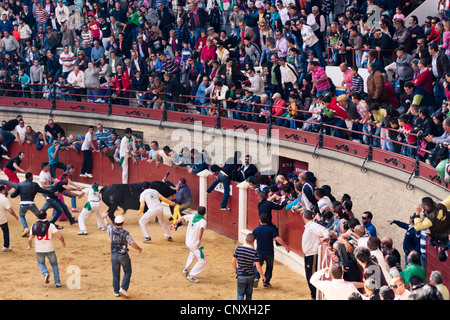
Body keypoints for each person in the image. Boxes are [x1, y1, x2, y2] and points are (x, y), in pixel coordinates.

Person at [101, 212, 142, 297]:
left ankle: (116, 291)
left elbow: (106, 224)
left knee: (115, 273)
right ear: (123, 223)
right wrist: (139, 248)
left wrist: (104, 217)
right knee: (128, 271)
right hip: (123, 255)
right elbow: (132, 244)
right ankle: (123, 288)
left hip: (113, 255)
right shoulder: (126, 233)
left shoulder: (111, 229)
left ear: (115, 223)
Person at [27, 209, 65, 287]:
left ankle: (45, 273)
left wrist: (30, 245)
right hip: (49, 248)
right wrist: (63, 242)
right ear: (46, 216)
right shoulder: (51, 225)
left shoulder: (33, 225)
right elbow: (59, 236)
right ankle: (57, 282)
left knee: (41, 263)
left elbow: (30, 239)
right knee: (54, 264)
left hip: (39, 249)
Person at [10, 172, 54, 237]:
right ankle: (45, 228)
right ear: (30, 177)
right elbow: (43, 190)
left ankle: (25, 228)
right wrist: (52, 193)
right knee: (40, 216)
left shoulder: (20, 185)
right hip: (31, 203)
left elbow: (12, 195)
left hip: (22, 204)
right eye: (32, 177)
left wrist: (18, 191)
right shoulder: (34, 184)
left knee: (22, 216)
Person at [170, 206, 208, 283]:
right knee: (203, 261)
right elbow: (201, 229)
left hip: (188, 241)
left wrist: (174, 224)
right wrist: (199, 241)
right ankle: (191, 275)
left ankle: (186, 269)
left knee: (192, 253)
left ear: (197, 211)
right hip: (194, 243)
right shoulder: (203, 221)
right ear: (204, 213)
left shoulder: (192, 216)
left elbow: (182, 217)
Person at [252, 213, 290, 289]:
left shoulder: (256, 230)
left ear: (259, 221)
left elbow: (251, 240)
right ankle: (266, 283)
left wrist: (252, 249)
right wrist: (285, 246)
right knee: (269, 267)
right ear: (268, 221)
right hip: (269, 252)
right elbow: (277, 238)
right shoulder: (271, 229)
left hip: (259, 251)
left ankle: (256, 277)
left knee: (257, 265)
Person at [301, 209, 330, 299]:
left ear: (304, 217)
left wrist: (325, 238)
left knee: (312, 277)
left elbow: (325, 231)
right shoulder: (310, 226)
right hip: (309, 254)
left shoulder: (313, 226)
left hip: (312, 254)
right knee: (309, 276)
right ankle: (313, 295)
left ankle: (314, 296)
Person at [231, 232, 265, 300]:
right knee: (249, 295)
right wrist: (262, 275)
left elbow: (233, 261)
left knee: (240, 294)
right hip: (250, 276)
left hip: (241, 275)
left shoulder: (239, 249)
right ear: (254, 241)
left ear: (245, 240)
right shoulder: (254, 252)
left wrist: (236, 269)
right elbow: (258, 266)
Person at [0, 184, 18, 252]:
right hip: (2, 218)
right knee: (5, 231)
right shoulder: (4, 199)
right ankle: (6, 246)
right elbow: (10, 210)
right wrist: (15, 216)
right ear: (3, 191)